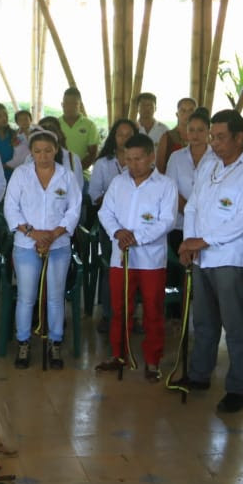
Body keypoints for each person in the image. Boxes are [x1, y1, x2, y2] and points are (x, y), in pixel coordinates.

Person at [176, 109, 243, 414]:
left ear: (239, 137)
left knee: (235, 325)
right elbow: (192, 206)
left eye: (220, 137)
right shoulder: (210, 165)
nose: (213, 143)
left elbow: (241, 223)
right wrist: (189, 242)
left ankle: (237, 388)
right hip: (203, 256)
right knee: (203, 320)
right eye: (212, 137)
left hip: (232, 257)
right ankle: (200, 374)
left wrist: (199, 241)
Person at [95, 133, 178, 382]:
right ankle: (119, 354)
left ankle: (152, 360)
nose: (133, 164)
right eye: (128, 159)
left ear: (151, 157)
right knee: (120, 307)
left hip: (151, 259)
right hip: (121, 257)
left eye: (138, 159)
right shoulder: (118, 183)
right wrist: (118, 232)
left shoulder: (165, 185)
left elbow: (167, 221)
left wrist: (136, 237)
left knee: (152, 308)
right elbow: (105, 212)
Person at [4, 129, 81, 370]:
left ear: (56, 150)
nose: (43, 155)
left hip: (57, 245)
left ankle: (55, 343)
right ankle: (24, 342)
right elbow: (11, 208)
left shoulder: (66, 176)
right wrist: (33, 233)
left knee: (56, 297)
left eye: (48, 150)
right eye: (37, 151)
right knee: (26, 297)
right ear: (31, 152)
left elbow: (73, 209)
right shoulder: (21, 174)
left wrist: (54, 234)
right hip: (27, 244)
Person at [88, 119, 137, 333]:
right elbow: (94, 195)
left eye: (129, 134)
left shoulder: (143, 162)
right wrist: (116, 197)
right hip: (110, 226)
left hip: (135, 226)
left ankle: (130, 317)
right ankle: (109, 315)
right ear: (113, 137)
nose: (124, 138)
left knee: (134, 269)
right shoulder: (103, 163)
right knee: (111, 269)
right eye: (120, 134)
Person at [165, 107, 212, 289]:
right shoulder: (176, 157)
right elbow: (171, 189)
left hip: (207, 224)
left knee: (202, 270)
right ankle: (178, 314)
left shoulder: (216, 157)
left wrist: (199, 213)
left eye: (200, 130)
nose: (195, 134)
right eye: (191, 129)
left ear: (209, 131)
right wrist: (188, 210)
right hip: (180, 222)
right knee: (180, 269)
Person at [59, 88, 99, 169]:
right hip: (58, 174)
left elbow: (92, 154)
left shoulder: (90, 126)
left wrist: (77, 170)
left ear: (80, 105)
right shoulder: (55, 124)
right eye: (66, 103)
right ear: (62, 104)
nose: (70, 107)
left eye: (74, 103)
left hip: (82, 175)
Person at [157, 96, 198, 174]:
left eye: (191, 110)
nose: (187, 114)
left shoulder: (202, 137)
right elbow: (160, 167)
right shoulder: (167, 137)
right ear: (177, 114)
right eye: (183, 110)